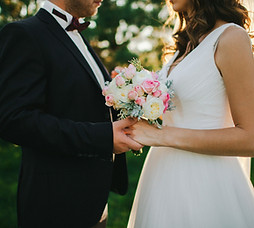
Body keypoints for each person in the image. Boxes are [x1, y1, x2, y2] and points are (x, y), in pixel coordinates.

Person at [0, 0, 143, 227]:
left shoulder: (77, 36)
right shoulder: (23, 34)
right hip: (56, 206)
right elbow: (14, 120)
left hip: (94, 203)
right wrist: (104, 138)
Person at [126, 0, 254, 227]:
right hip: (161, 178)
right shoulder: (183, 47)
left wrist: (160, 135)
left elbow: (250, 138)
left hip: (206, 184)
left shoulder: (231, 38)